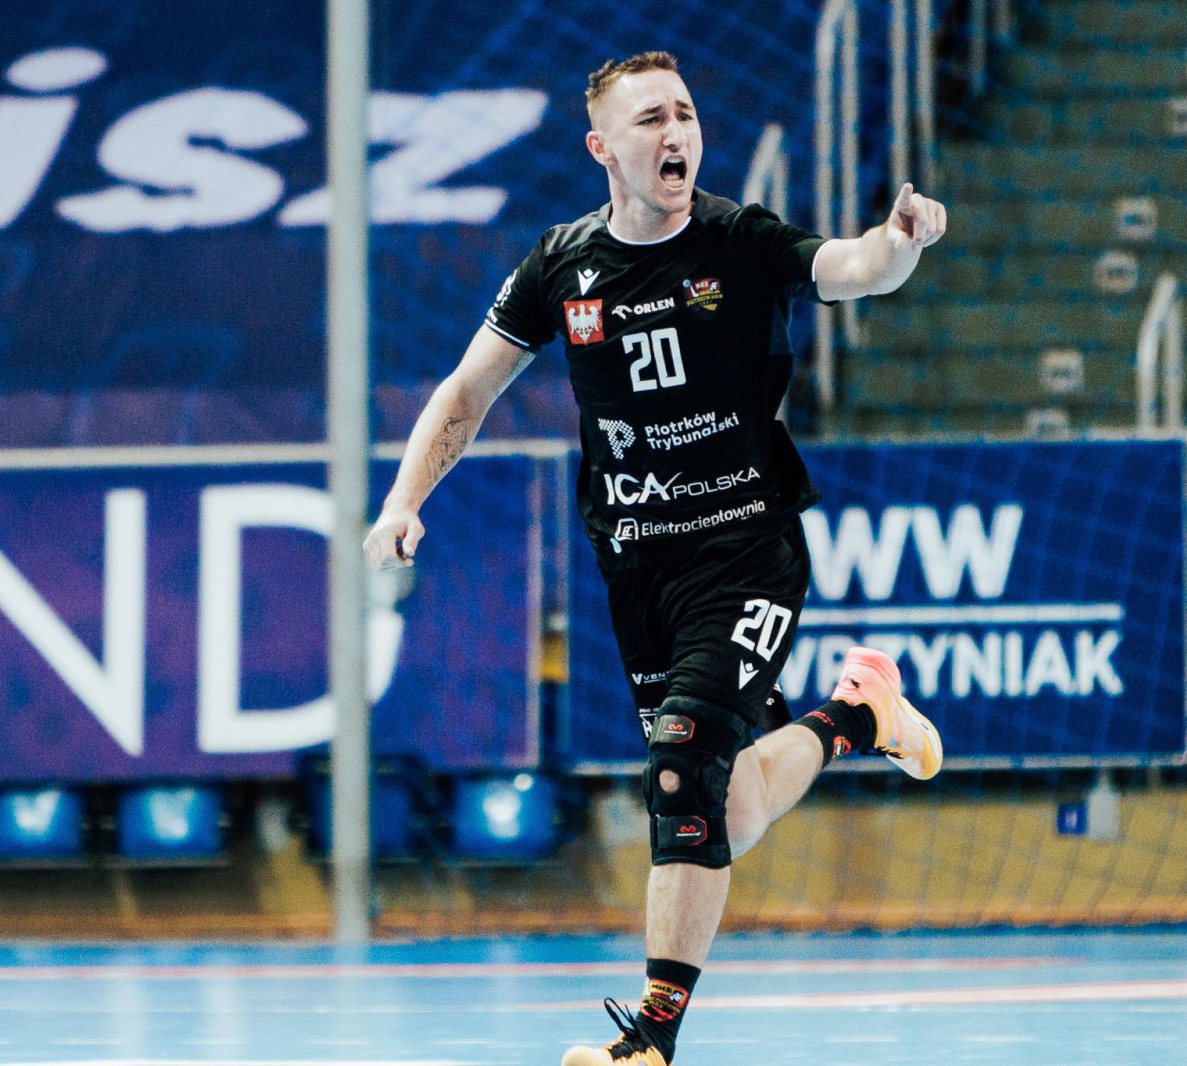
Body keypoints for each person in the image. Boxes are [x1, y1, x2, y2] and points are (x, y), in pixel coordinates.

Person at [363, 51, 947, 1066]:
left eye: (684, 114)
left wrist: (899, 242)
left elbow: (852, 268)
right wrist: (404, 499)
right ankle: (858, 716)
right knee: (727, 805)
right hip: (638, 572)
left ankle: (650, 1042)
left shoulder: (737, 239)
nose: (675, 133)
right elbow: (467, 390)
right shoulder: (561, 266)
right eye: (649, 120)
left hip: (746, 551)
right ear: (603, 147)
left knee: (678, 771)